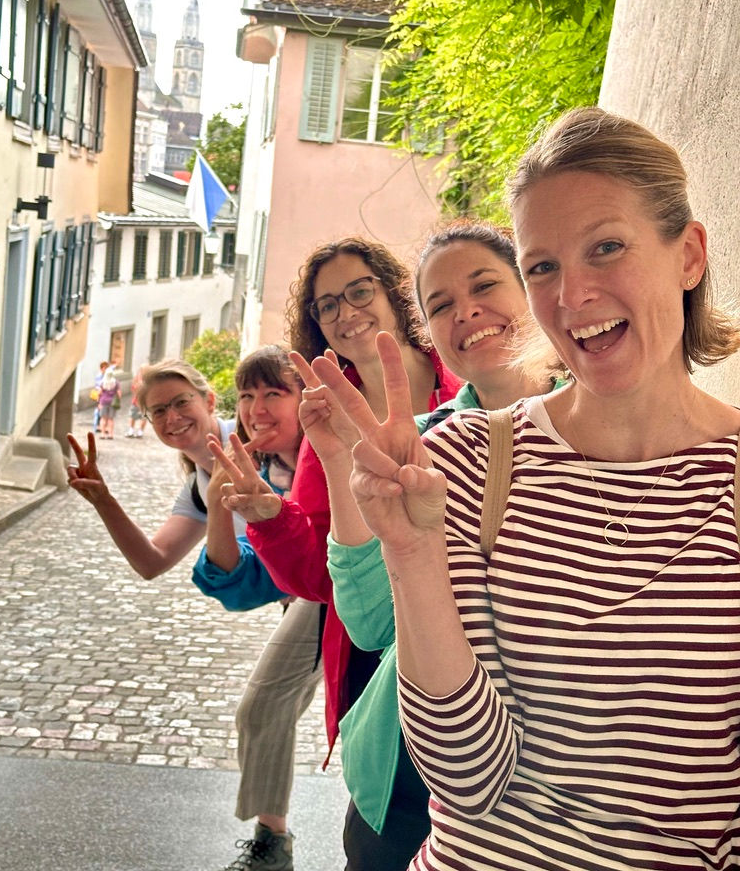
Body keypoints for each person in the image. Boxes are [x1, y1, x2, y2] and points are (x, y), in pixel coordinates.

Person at [312, 107, 740, 871]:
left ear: (689, 255)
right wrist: (410, 555)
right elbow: (469, 781)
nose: (571, 295)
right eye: (543, 266)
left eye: (606, 248)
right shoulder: (469, 456)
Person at [319, 221, 557, 870]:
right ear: (428, 332)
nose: (467, 311)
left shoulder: (609, 437)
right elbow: (368, 626)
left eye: (485, 286)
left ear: (536, 288)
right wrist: (338, 460)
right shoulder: (420, 444)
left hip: (551, 799)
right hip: (399, 783)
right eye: (441, 304)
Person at [210, 237, 461, 783]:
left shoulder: (465, 380)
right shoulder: (324, 417)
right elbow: (321, 579)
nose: (346, 313)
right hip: (374, 642)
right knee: (385, 806)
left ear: (395, 293)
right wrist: (268, 516)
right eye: (328, 306)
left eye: (359, 292)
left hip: (479, 632)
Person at [67, 351, 320, 871]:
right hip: (306, 597)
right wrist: (104, 500)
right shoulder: (203, 484)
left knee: (272, 709)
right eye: (158, 411)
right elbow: (153, 561)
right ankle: (274, 841)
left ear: (209, 401)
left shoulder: (263, 441)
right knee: (272, 712)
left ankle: (283, 844)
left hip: (344, 585)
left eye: (180, 402)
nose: (171, 418)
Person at [97, 364, 121, 439]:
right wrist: (118, 400)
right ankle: (110, 434)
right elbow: (119, 394)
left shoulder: (102, 382)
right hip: (112, 403)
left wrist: (99, 402)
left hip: (103, 402)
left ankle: (103, 434)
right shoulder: (116, 382)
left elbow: (99, 393)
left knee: (103, 418)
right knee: (111, 419)